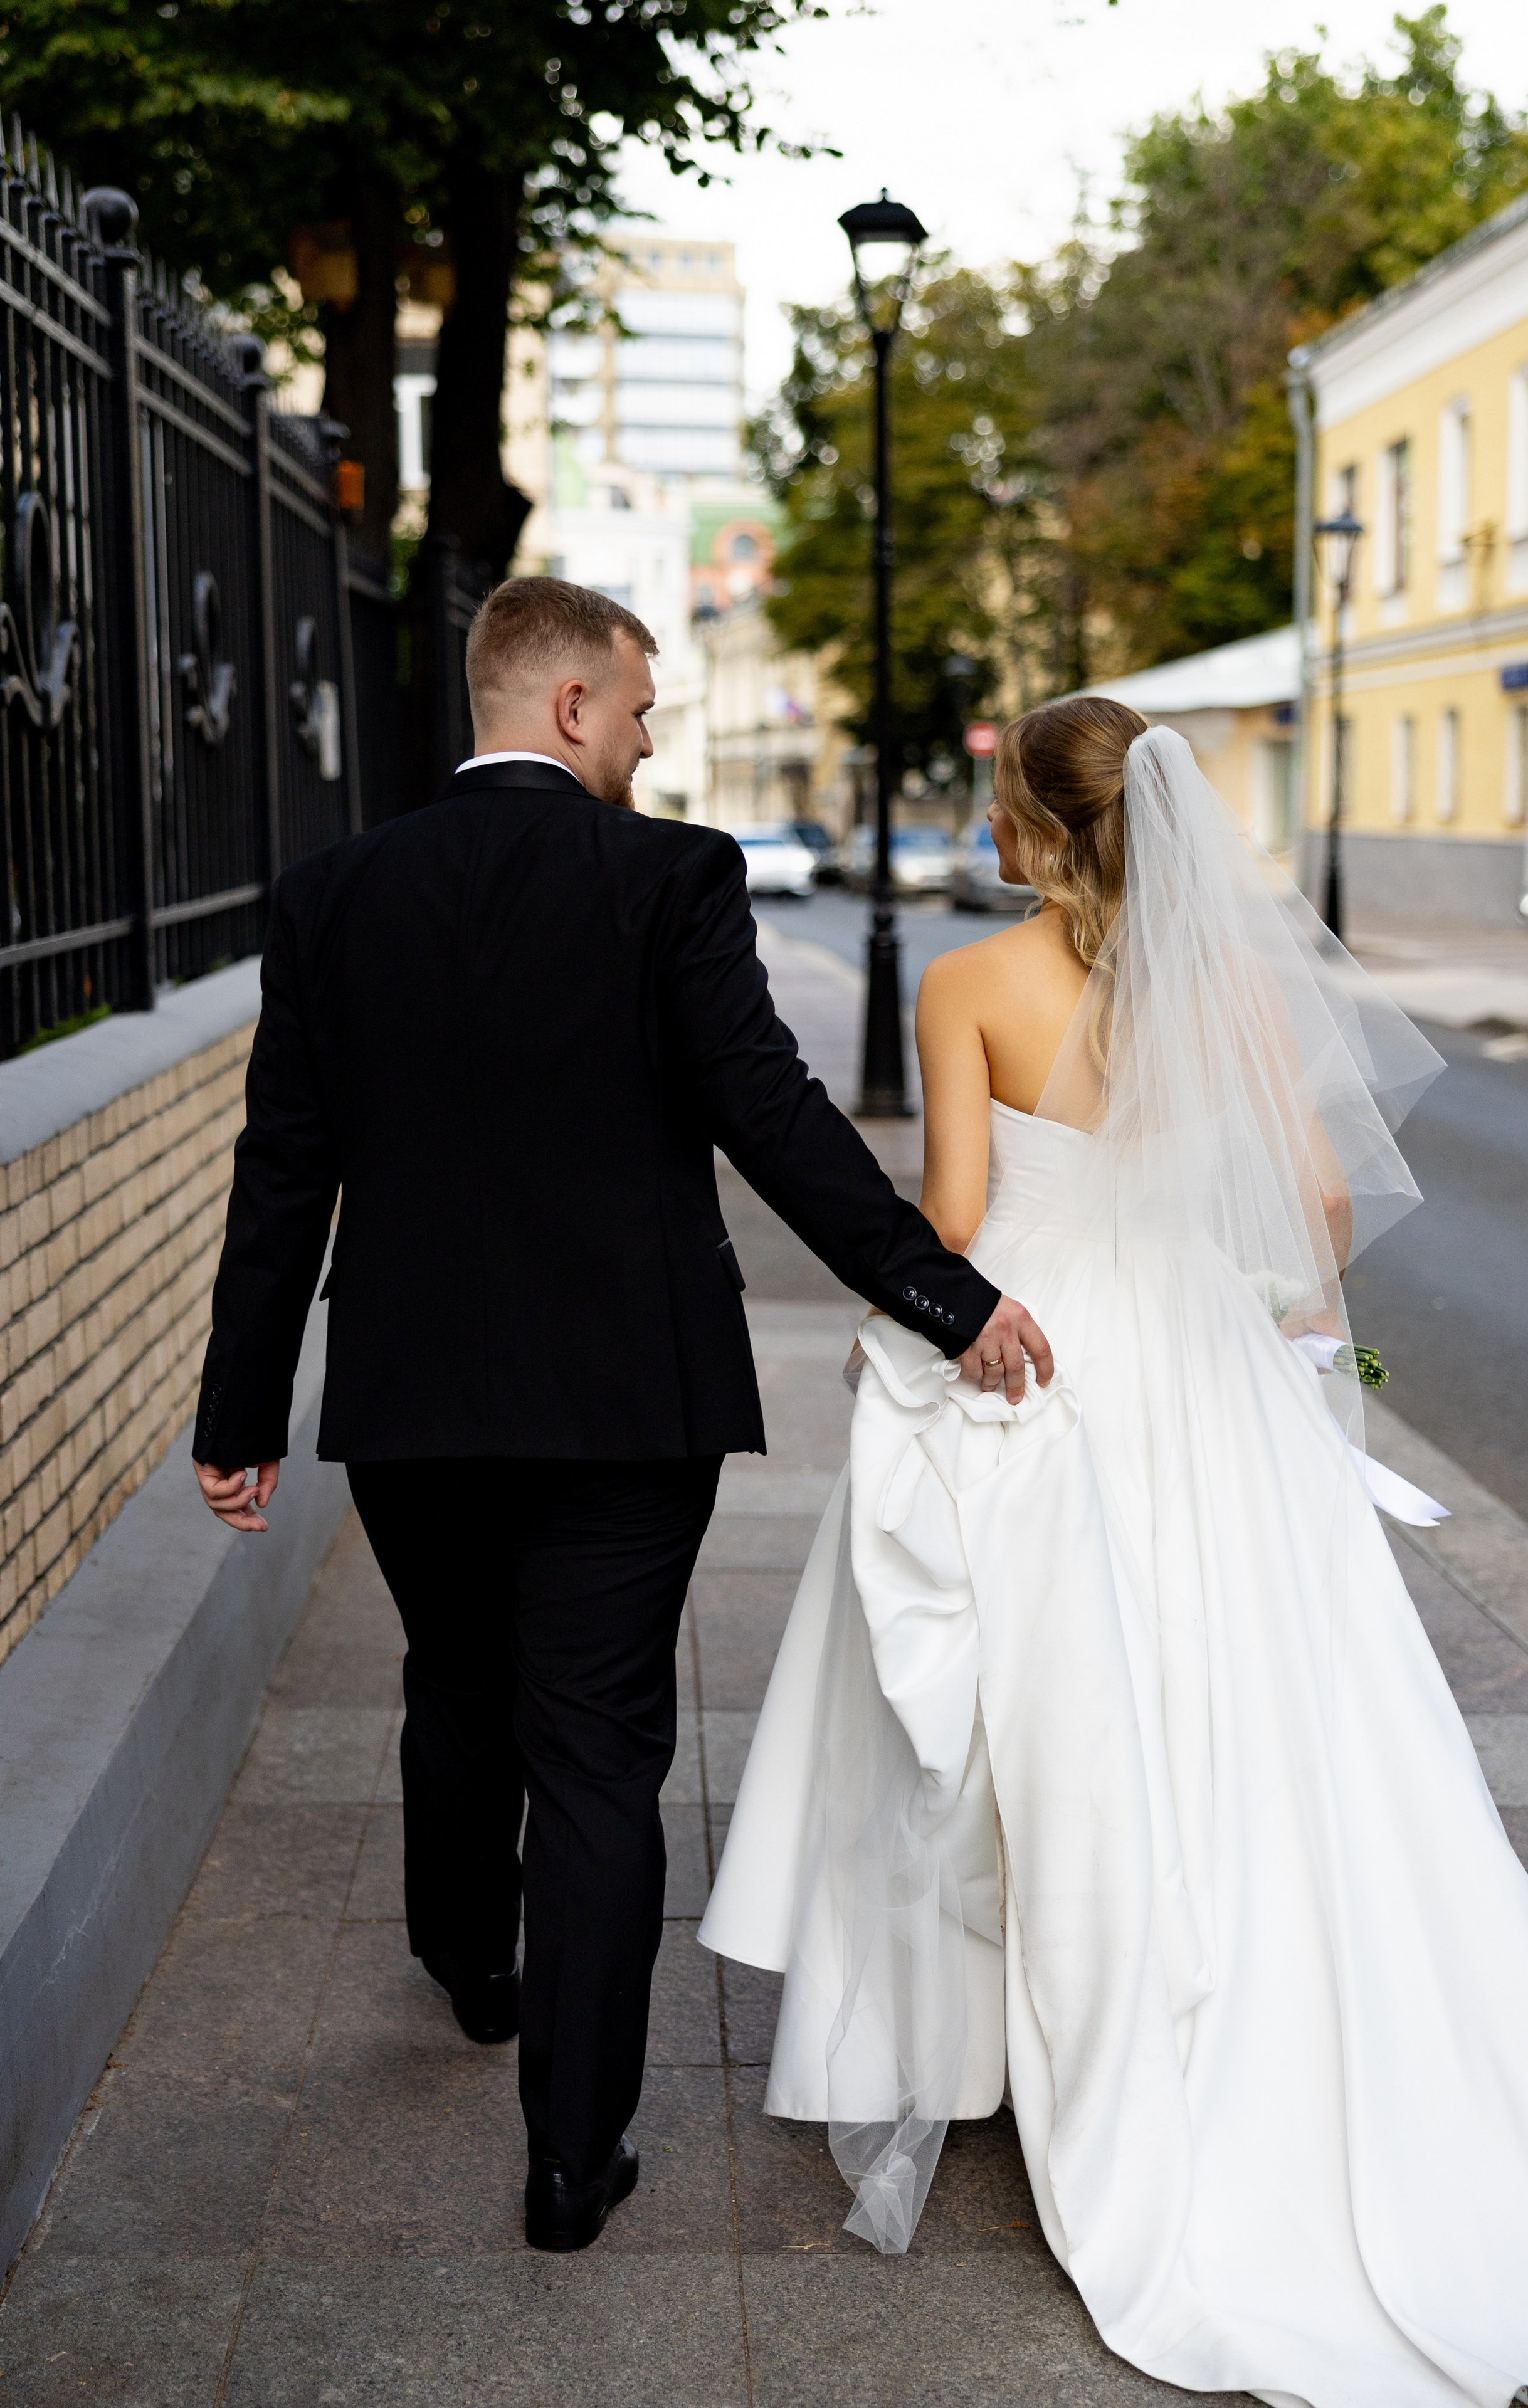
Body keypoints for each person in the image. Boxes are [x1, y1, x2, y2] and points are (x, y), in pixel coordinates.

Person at [701, 700, 1528, 2406]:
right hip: (1207, 1379)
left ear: (1044, 832)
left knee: (1039, 1727)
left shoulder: (970, 988)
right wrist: (1251, 1296)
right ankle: (1284, 2023)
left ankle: (1015, 2034)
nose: (978, 832)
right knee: (1273, 1706)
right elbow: (1321, 1207)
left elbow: (958, 1228)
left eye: (990, 807)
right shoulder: (1233, 988)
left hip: (1050, 1378)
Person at [190, 577, 1050, 2253]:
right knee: (596, 1752)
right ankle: (572, 2160)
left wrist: (242, 1407)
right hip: (624, 1401)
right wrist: (945, 1296)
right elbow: (775, 1118)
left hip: (413, 1395)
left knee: (454, 1673)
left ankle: (468, 1955)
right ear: (571, 704)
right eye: (643, 712)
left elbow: (283, 1163)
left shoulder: (330, 894)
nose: (653, 744)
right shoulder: (668, 879)